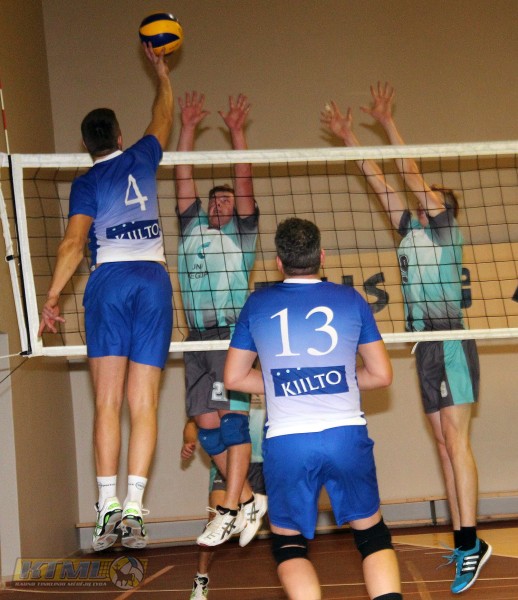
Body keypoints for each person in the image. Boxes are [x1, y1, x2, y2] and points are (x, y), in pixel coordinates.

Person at [321, 82, 491, 594]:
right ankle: (464, 542)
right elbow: (380, 183)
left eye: (430, 199)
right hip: (424, 346)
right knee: (442, 444)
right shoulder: (411, 234)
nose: (421, 201)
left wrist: (388, 123)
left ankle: (470, 542)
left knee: (456, 441)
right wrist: (350, 137)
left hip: (451, 338)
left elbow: (410, 175)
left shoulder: (444, 230)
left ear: (442, 209)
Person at [38, 43, 174, 551]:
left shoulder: (88, 182)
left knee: (108, 402)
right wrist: (162, 74)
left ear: (85, 144)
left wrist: (53, 297)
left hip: (110, 282)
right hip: (154, 281)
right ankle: (135, 509)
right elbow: (164, 116)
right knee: (144, 403)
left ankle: (107, 508)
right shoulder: (143, 155)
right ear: (119, 136)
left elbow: (73, 244)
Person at [224, 218, 402, 600]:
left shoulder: (258, 304)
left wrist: (286, 385)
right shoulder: (351, 300)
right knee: (372, 537)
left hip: (288, 440)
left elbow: (234, 377)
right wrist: (334, 380)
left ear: (278, 262)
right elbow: (381, 374)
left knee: (289, 548)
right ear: (322, 256)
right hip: (345, 434)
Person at [174, 91, 266, 548]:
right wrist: (188, 127)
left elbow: (244, 179)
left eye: (228, 201)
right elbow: (182, 175)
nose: (221, 205)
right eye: (216, 201)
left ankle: (230, 508)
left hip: (230, 334)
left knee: (230, 422)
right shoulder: (191, 228)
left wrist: (236, 133)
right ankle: (248, 498)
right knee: (204, 423)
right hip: (195, 338)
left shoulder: (243, 235)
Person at [181, 395, 267, 599]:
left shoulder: (266, 384)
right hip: (228, 461)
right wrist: (189, 440)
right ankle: (201, 578)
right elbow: (193, 423)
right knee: (215, 519)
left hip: (262, 463)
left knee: (285, 522)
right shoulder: (223, 386)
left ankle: (294, 568)